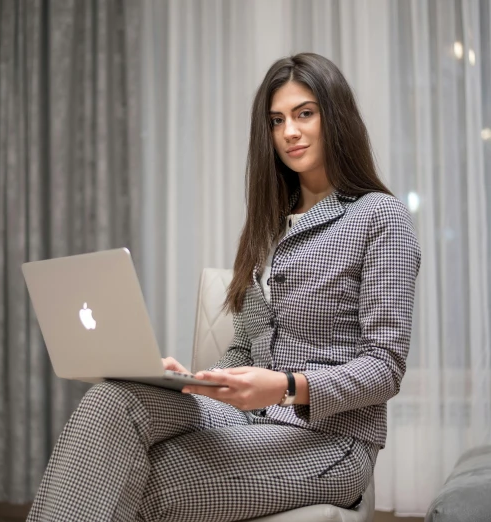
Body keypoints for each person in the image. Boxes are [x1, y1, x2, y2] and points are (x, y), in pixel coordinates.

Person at [26, 52, 421, 522]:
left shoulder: (380, 218)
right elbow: (246, 348)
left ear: (335, 117)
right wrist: (195, 381)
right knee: (112, 399)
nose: (289, 132)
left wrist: (286, 387)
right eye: (277, 121)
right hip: (245, 420)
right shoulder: (269, 227)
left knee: (140, 481)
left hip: (330, 441)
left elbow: (386, 367)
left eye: (304, 114)